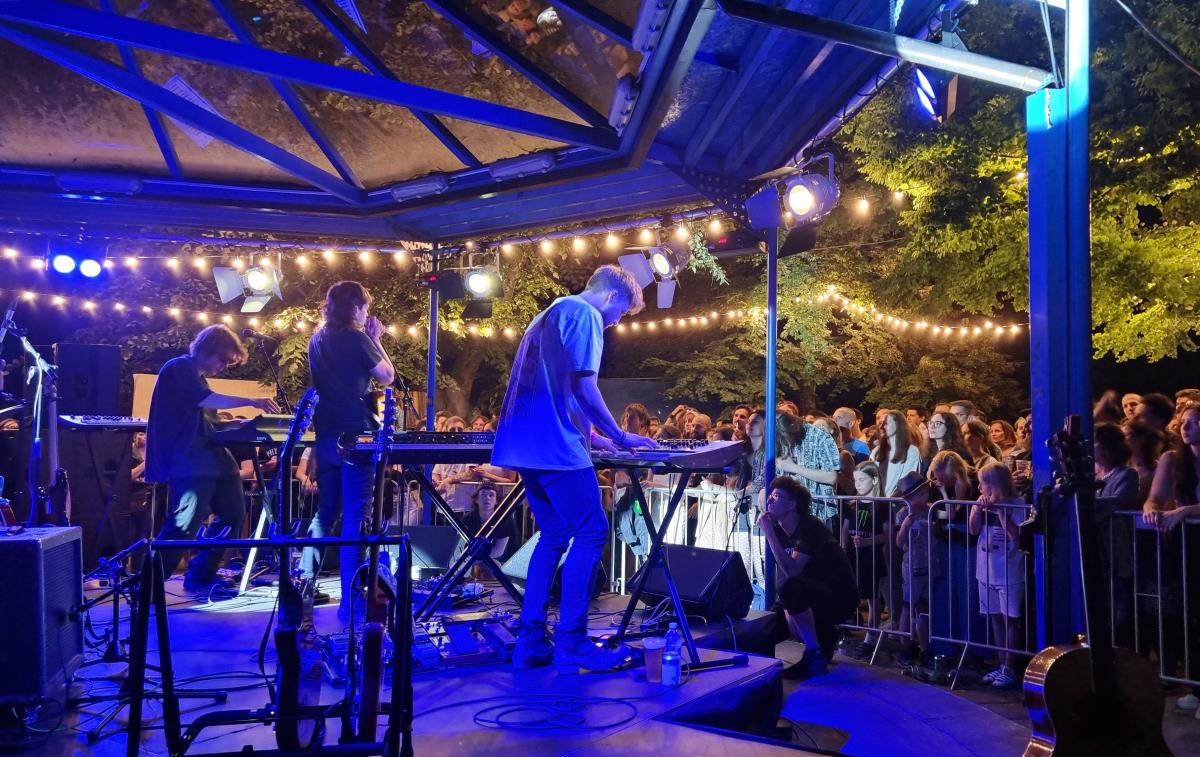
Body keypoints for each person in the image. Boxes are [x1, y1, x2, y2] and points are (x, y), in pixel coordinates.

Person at [491, 265, 655, 673]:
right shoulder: (585, 314)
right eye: (620, 313)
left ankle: (530, 640)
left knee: (554, 535)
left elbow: (557, 390)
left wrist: (595, 438)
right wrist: (620, 435)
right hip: (554, 448)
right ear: (612, 296)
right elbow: (584, 387)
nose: (615, 322)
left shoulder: (549, 314)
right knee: (592, 531)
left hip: (525, 444)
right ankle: (573, 642)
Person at [146, 325, 279, 594]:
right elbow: (205, 401)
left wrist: (242, 426)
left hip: (214, 460)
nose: (225, 366)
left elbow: (210, 423)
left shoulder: (200, 379)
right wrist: (252, 401)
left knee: (233, 514)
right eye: (223, 359)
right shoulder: (178, 368)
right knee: (184, 524)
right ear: (207, 349)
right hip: (189, 461)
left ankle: (201, 574)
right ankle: (148, 587)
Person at [302, 281, 396, 621]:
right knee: (356, 516)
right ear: (355, 307)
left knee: (325, 513)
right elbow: (387, 376)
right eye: (365, 307)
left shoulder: (316, 340)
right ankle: (351, 597)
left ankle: (303, 585)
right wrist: (376, 339)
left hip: (326, 436)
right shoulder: (357, 338)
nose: (367, 314)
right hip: (356, 437)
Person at [761, 476, 858, 680]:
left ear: (792, 504)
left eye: (777, 496)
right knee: (766, 628)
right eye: (771, 495)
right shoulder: (779, 530)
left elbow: (793, 571)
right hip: (809, 593)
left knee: (791, 590)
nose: (770, 500)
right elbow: (784, 576)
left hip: (839, 595)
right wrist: (785, 610)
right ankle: (825, 638)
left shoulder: (810, 527)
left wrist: (769, 534)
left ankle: (814, 655)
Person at [1142, 403, 1200, 715]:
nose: (1185, 428)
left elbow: (1185, 508)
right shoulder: (1172, 458)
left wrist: (1185, 510)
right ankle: (1195, 686)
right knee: (1186, 612)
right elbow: (1155, 495)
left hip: (1190, 530)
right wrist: (1151, 507)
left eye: (1194, 422)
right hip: (1184, 542)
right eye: (1183, 422)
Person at [968, 463, 1027, 689]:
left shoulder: (1018, 505)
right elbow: (973, 530)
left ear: (993, 485)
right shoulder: (981, 502)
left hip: (1009, 571)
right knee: (994, 617)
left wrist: (1002, 514)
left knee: (1010, 619)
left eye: (982, 483)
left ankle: (1011, 666)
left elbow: (1017, 537)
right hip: (986, 570)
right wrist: (977, 511)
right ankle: (1002, 664)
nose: (979, 488)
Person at [841, 460, 888, 660]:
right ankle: (847, 629)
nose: (857, 484)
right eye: (855, 480)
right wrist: (843, 548)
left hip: (872, 556)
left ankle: (870, 636)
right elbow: (845, 529)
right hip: (853, 556)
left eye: (862, 480)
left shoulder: (882, 507)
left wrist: (868, 541)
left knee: (873, 597)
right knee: (851, 591)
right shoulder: (852, 504)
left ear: (874, 480)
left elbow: (888, 534)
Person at [895, 471, 939, 667]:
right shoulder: (903, 514)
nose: (925, 496)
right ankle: (904, 647)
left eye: (925, 492)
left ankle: (925, 648)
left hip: (929, 564)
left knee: (923, 609)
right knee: (908, 607)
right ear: (910, 497)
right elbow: (899, 542)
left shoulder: (930, 510)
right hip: (912, 566)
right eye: (920, 494)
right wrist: (905, 526)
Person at [871, 410, 922, 497]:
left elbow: (907, 482)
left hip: (897, 503)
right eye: (880, 423)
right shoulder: (876, 452)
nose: (881, 427)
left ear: (898, 425)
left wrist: (889, 501)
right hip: (876, 502)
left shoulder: (911, 451)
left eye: (886, 423)